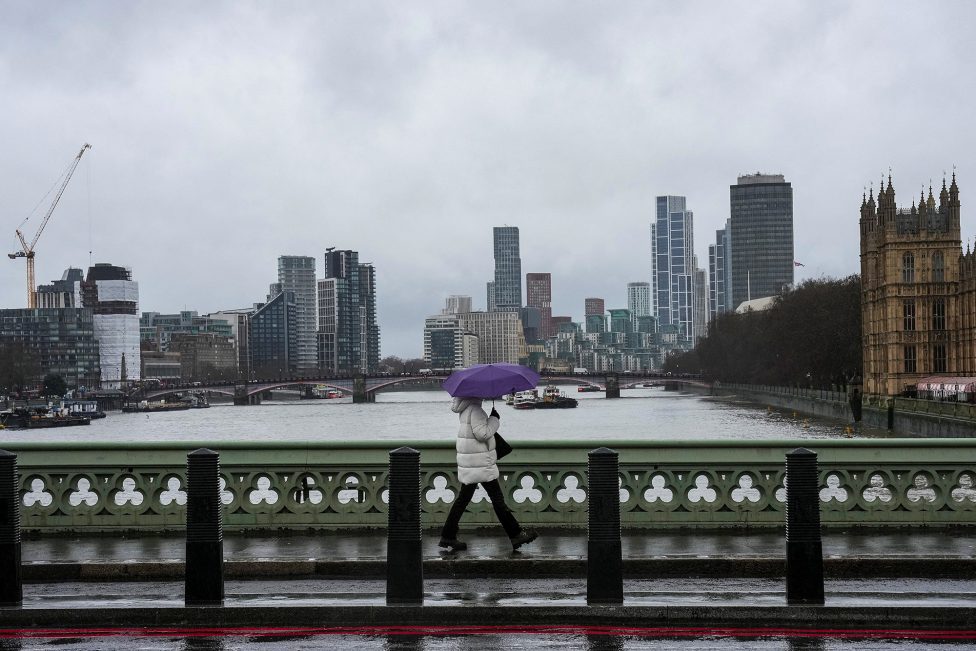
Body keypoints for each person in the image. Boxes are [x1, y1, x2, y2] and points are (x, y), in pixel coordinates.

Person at [439, 397, 538, 552]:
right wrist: (494, 420)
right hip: (481, 464)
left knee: (462, 500)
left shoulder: (465, 410)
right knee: (498, 500)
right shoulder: (476, 410)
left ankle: (448, 535)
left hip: (470, 462)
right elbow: (482, 434)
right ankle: (516, 534)